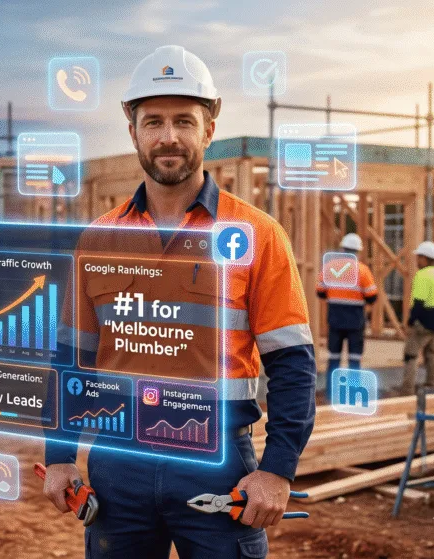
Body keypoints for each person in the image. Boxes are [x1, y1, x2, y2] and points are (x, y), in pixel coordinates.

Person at [42, 45, 316, 558]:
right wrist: (59, 456)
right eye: (154, 122)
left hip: (217, 462)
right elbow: (69, 360)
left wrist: (277, 468)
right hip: (118, 463)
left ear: (208, 130)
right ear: (134, 133)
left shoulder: (258, 235)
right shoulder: (97, 240)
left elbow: (293, 364)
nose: (168, 137)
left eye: (184, 122)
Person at [316, 233, 378, 400]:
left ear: (342, 248)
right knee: (354, 360)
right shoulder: (362, 270)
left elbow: (320, 292)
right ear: (358, 251)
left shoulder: (329, 267)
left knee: (333, 359)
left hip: (335, 321)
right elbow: (372, 296)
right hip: (355, 323)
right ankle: (351, 395)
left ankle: (330, 393)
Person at [401, 241, 434, 394]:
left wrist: (410, 321)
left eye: (418, 257)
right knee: (432, 354)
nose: (417, 260)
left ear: (425, 258)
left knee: (411, 355)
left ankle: (407, 389)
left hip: (423, 321)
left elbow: (419, 303)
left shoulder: (422, 275)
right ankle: (432, 385)